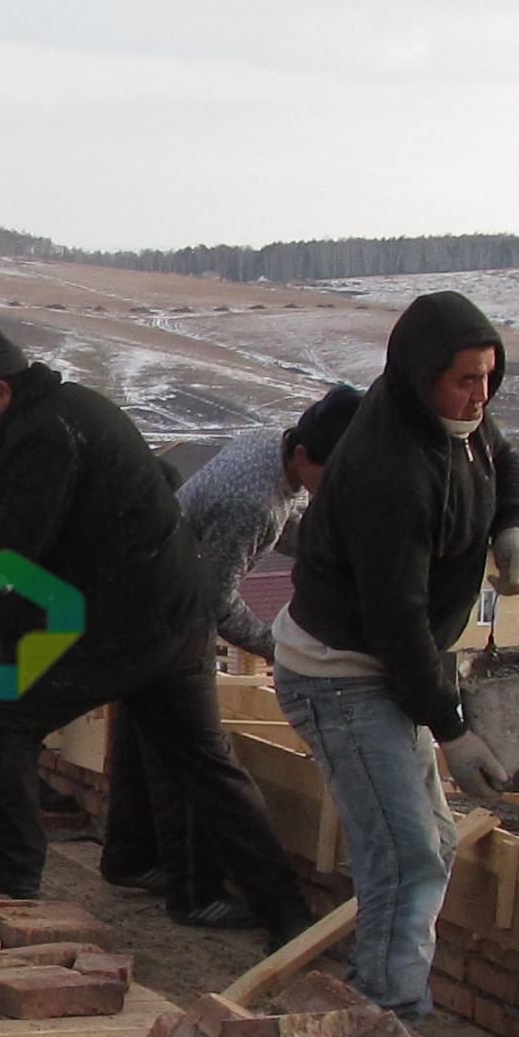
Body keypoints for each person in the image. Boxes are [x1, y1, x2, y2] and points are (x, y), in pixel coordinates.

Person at [0, 321, 310, 940]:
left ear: (1, 391)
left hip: (125, 619)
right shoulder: (74, 408)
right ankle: (285, 913)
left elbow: (22, 544)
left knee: (4, 716)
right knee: (207, 765)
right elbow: (80, 514)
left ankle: (11, 865)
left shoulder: (41, 433)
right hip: (179, 611)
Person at [272, 293, 519, 1037]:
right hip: (340, 675)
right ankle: (381, 1033)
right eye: (464, 381)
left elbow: (503, 458)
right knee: (404, 851)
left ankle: (394, 1016)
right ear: (423, 377)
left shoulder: (459, 423)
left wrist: (514, 525)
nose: (479, 397)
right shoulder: (391, 468)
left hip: (388, 669)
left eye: (488, 378)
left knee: (432, 846)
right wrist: (452, 732)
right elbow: (398, 624)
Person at [112, 385, 360, 921]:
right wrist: (281, 649)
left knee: (147, 729)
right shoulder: (252, 503)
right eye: (333, 474)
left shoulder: (270, 445)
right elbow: (216, 603)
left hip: (141, 594)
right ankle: (203, 896)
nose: (337, 488)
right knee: (200, 760)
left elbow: (290, 523)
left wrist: (338, 555)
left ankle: (130, 857)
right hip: (167, 615)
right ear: (303, 455)